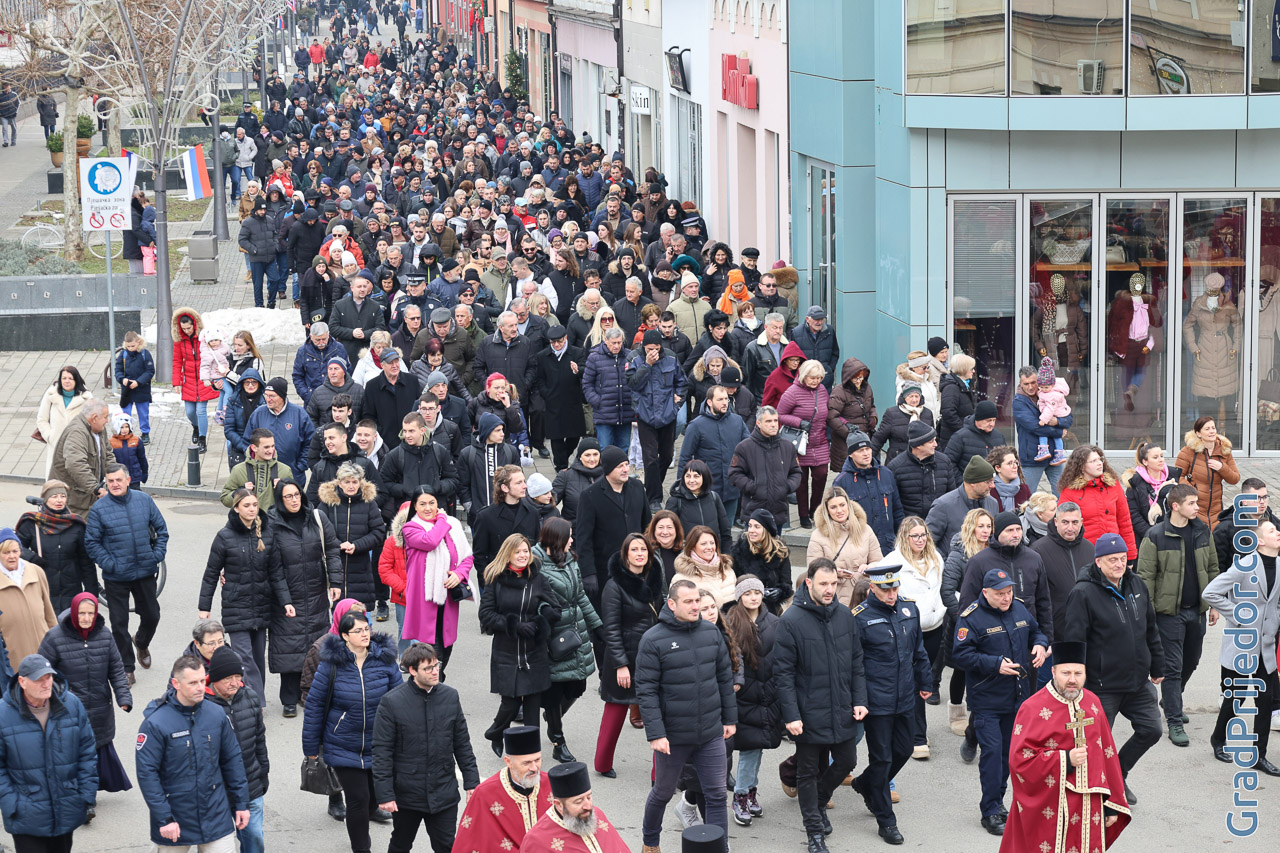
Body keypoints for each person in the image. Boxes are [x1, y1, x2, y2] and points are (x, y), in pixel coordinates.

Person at [999, 642, 1132, 853]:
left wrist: (1111, 803)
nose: (1072, 679)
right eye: (1066, 673)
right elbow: (1020, 761)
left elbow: (1107, 756)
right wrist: (1065, 759)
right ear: (1053, 672)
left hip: (1090, 805)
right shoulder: (1032, 708)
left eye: (1078, 673)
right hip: (1052, 804)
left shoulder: (1093, 704)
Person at [772, 559, 867, 853]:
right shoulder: (791, 620)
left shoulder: (845, 616)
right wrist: (791, 715)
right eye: (823, 583)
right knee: (808, 772)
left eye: (833, 584)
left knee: (847, 761)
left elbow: (856, 662)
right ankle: (814, 831)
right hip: (807, 711)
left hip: (841, 707)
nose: (829, 589)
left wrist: (860, 699)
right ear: (809, 582)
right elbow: (783, 674)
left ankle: (819, 800)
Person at [635, 578, 736, 851]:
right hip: (673, 737)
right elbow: (646, 691)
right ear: (672, 604)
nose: (695, 606)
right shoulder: (653, 639)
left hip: (710, 733)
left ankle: (719, 847)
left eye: (697, 601)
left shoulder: (711, 633)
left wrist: (729, 719)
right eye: (688, 602)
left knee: (717, 795)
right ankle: (650, 842)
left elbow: (724, 678)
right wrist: (656, 734)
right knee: (663, 792)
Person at [1063, 532, 1165, 804]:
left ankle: (1118, 774)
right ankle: (1091, 792)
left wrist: (1157, 664)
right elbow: (1074, 641)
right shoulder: (1083, 593)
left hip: (1137, 681)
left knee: (1152, 729)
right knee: (1093, 744)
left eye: (1123, 559)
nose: (1120, 564)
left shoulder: (1137, 584)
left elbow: (1150, 628)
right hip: (1101, 686)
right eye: (1112, 560)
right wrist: (1073, 680)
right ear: (1098, 562)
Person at [952, 568, 1048, 836]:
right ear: (985, 593)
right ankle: (990, 810)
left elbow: (1036, 632)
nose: (1006, 598)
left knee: (1009, 755)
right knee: (993, 755)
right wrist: (994, 664)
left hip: (1017, 697)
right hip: (987, 700)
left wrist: (1040, 645)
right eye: (1000, 594)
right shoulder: (971, 617)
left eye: (1009, 592)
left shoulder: (1018, 608)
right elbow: (960, 655)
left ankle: (999, 802)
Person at [302, 610, 401, 853]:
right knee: (358, 799)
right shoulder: (331, 665)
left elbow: (401, 700)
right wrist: (311, 748)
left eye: (366, 628)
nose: (365, 634)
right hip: (343, 745)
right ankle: (361, 848)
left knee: (373, 799)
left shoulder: (385, 660)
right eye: (358, 630)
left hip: (380, 745)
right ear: (345, 635)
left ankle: (364, 821)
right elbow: (315, 705)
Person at [849, 561, 933, 846]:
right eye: (885, 589)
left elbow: (918, 650)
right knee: (882, 758)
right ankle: (886, 820)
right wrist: (859, 699)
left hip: (906, 696)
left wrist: (925, 682)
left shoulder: (909, 609)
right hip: (877, 701)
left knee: (905, 749)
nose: (891, 594)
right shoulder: (859, 617)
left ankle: (866, 783)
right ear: (872, 588)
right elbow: (855, 665)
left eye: (894, 588)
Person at [372, 642, 481, 853]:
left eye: (436, 665)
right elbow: (382, 752)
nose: (435, 671)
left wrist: (472, 782)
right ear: (412, 671)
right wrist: (385, 794)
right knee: (401, 845)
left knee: (447, 846)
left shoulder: (450, 696)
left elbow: (462, 743)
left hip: (443, 792)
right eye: (428, 668)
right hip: (407, 795)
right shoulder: (391, 702)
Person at [137, 655, 251, 852]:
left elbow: (232, 760)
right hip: (175, 818)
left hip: (215, 815)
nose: (200, 688)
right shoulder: (155, 723)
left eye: (202, 681)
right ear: (176, 684)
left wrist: (241, 803)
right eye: (192, 683)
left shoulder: (216, 714)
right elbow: (147, 774)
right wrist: (164, 818)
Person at [1135, 483, 1219, 748]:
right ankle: (1173, 721)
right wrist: (1148, 614)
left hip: (1197, 611)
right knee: (1172, 668)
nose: (1197, 507)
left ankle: (1172, 700)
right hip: (1168, 614)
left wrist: (1215, 604)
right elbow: (1145, 577)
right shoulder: (1155, 536)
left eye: (1197, 503)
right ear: (1175, 506)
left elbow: (1213, 567)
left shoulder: (1202, 531)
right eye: (1191, 503)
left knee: (1192, 661)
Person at [38, 592, 133, 807]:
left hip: (100, 708)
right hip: (68, 710)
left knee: (95, 752)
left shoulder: (105, 635)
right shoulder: (54, 637)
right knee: (74, 754)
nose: (86, 618)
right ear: (74, 612)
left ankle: (87, 795)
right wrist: (58, 697)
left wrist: (123, 697)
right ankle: (82, 799)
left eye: (91, 613)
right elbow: (43, 673)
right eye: (82, 613)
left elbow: (116, 668)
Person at [1203, 519, 1280, 775]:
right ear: (1259, 541)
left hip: (1266, 646)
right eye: (1272, 531)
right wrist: (1238, 614)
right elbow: (1211, 593)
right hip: (1242, 644)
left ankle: (1259, 755)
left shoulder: (1279, 565)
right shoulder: (1244, 565)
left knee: (1265, 701)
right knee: (1236, 697)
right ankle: (1218, 739)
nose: (1278, 533)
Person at [0, 653, 97, 853]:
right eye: (39, 679)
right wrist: (11, 803)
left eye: (49, 677)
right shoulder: (3, 715)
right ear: (22, 682)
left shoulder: (71, 705)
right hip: (26, 816)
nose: (46, 684)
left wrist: (85, 795)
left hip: (66, 808)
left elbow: (87, 752)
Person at [478, 534, 561, 756]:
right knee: (511, 704)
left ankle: (530, 756)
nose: (523, 555)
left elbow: (556, 609)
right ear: (508, 554)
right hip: (506, 651)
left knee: (532, 707)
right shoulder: (495, 579)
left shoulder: (538, 578)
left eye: (526, 551)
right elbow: (485, 614)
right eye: (518, 552)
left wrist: (539, 620)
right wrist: (514, 625)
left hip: (534, 651)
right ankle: (496, 732)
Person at [83, 464, 168, 682]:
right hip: (116, 577)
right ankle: (126, 667)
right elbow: (91, 543)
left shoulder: (144, 500)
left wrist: (156, 555)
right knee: (119, 624)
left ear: (128, 480)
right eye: (110, 481)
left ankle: (141, 642)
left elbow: (162, 530)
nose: (114, 484)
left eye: (118, 480)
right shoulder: (99, 509)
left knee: (152, 615)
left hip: (145, 572)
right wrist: (109, 564)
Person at [266, 478, 341, 716]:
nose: (294, 500)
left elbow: (332, 548)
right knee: (289, 645)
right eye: (288, 496)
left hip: (316, 592)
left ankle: (309, 693)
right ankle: (289, 698)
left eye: (296, 494)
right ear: (280, 499)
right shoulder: (271, 523)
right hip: (286, 595)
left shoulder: (317, 518)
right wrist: (284, 599)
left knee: (315, 645)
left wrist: (335, 581)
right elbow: (271, 565)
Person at [596, 533, 665, 778]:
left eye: (643, 549)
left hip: (653, 657)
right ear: (625, 554)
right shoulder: (614, 585)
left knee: (658, 716)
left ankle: (660, 774)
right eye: (634, 549)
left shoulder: (655, 579)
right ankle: (602, 764)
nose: (639, 554)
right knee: (615, 713)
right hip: (624, 658)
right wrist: (620, 665)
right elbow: (611, 629)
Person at [200, 489, 276, 708]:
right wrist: (204, 607)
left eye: (254, 505)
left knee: (258, 657)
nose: (252, 509)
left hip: (261, 603)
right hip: (235, 605)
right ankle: (256, 702)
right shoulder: (224, 536)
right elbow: (211, 572)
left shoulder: (266, 533)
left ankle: (252, 696)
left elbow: (275, 570)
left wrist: (285, 601)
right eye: (246, 505)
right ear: (236, 509)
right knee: (244, 656)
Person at [534, 518, 602, 763]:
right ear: (557, 538)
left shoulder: (570, 559)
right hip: (553, 632)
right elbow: (533, 598)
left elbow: (580, 595)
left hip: (575, 630)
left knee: (577, 685)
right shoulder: (536, 563)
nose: (572, 540)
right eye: (569, 536)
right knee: (555, 690)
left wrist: (597, 625)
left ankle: (553, 717)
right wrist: (545, 613)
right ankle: (557, 739)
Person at [721, 575, 782, 826]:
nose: (753, 597)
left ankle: (750, 792)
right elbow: (730, 659)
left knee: (758, 747)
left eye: (757, 592)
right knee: (749, 748)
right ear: (739, 597)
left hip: (768, 695)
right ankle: (741, 795)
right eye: (747, 593)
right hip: (744, 696)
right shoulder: (731, 622)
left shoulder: (774, 621)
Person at [398, 486, 473, 676]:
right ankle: (432, 685)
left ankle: (435, 683)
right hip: (424, 599)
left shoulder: (453, 524)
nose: (428, 508)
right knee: (432, 650)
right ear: (415, 506)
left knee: (447, 646)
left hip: (448, 597)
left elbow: (467, 557)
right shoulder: (410, 528)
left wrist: (459, 574)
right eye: (422, 504)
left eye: (432, 503)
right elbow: (430, 541)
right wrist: (441, 520)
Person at [889, 517, 946, 751]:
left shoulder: (936, 557)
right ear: (905, 537)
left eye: (923, 535)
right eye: (915, 536)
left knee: (923, 678)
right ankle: (917, 736)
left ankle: (910, 728)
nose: (920, 540)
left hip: (934, 627)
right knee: (914, 682)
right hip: (908, 630)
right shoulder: (893, 561)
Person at [204, 647, 269, 853]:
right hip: (215, 789)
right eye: (228, 678)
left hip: (250, 782)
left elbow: (260, 740)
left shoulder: (250, 697)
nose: (234, 683)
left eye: (238, 677)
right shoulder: (201, 706)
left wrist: (263, 773)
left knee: (254, 836)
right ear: (215, 679)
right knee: (213, 844)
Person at [574, 446, 652, 609]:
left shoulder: (637, 487)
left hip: (637, 566)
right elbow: (583, 538)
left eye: (627, 464)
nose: (626, 469)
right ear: (608, 469)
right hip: (606, 569)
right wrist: (588, 572)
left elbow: (647, 525)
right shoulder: (590, 495)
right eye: (620, 466)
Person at [940, 508, 994, 734]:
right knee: (961, 669)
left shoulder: (994, 552)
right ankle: (956, 715)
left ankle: (982, 712)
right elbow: (947, 591)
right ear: (971, 528)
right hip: (964, 621)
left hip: (991, 620)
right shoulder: (958, 554)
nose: (985, 530)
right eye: (980, 526)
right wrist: (962, 617)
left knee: (987, 668)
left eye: (988, 526)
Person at [1030, 502, 1094, 683]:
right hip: (1052, 638)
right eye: (1065, 522)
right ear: (1056, 521)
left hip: (1084, 637)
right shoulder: (1038, 551)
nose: (1070, 528)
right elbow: (1033, 597)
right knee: (1047, 689)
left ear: (1082, 522)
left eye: (1075, 522)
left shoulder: (1090, 549)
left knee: (1078, 688)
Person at [15, 480, 98, 614]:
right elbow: (15, 548)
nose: (59, 500)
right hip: (42, 586)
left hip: (71, 589)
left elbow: (86, 562)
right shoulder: (32, 523)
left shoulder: (76, 524)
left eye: (63, 496)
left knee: (68, 625)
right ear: (45, 499)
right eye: (54, 496)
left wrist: (91, 593)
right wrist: (32, 557)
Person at [629, 328, 688, 510]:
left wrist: (678, 402)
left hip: (667, 415)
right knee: (650, 458)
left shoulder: (670, 357)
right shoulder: (634, 358)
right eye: (649, 349)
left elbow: (682, 382)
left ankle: (652, 486)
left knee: (667, 455)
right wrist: (647, 365)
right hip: (645, 415)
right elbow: (632, 383)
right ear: (643, 346)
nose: (653, 352)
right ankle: (654, 499)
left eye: (656, 348)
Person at [520, 761, 632, 853]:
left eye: (589, 797)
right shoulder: (537, 840)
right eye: (578, 802)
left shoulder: (596, 814)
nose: (588, 806)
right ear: (559, 805)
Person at [317, 462, 387, 609]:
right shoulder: (328, 503)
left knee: (360, 614)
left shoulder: (369, 503)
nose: (351, 486)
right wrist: (338, 545)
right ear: (339, 483)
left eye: (354, 482)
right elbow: (318, 529)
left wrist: (357, 545)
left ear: (360, 482)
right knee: (337, 613)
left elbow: (379, 531)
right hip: (334, 566)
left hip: (360, 568)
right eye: (347, 482)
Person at [679, 386, 750, 526]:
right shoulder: (696, 425)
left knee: (727, 529)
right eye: (720, 399)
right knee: (707, 530)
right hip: (707, 489)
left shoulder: (737, 421)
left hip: (731, 488)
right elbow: (684, 458)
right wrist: (681, 487)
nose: (724, 403)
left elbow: (749, 449)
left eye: (726, 399)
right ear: (709, 402)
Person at [806, 487, 882, 607]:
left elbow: (879, 562)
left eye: (842, 505)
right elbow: (813, 570)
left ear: (848, 505)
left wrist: (869, 567)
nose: (839, 510)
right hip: (833, 598)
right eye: (833, 507)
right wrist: (833, 572)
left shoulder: (865, 530)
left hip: (863, 596)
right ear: (827, 510)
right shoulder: (818, 535)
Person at [777, 360, 832, 528]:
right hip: (800, 442)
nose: (816, 381)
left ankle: (815, 510)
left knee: (822, 475)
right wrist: (799, 422)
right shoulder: (792, 392)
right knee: (801, 480)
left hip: (820, 441)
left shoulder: (822, 390)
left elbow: (828, 412)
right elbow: (779, 414)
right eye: (812, 378)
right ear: (803, 376)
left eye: (819, 378)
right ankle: (802, 515)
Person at [1057, 445, 1137, 560]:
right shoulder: (1069, 492)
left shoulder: (1113, 485)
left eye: (1100, 459)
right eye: (1093, 461)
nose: (1099, 463)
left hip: (1113, 551)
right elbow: (1063, 526)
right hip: (1084, 554)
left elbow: (1125, 522)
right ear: (1081, 467)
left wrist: (1130, 555)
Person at [729, 407, 801, 532]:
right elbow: (734, 474)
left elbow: (796, 472)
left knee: (775, 544)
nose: (773, 425)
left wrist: (787, 486)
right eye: (768, 421)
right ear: (758, 423)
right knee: (752, 544)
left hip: (778, 512)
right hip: (754, 511)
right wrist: (753, 487)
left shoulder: (787, 446)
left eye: (775, 420)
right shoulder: (744, 447)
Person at [472, 465, 546, 585]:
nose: (525, 486)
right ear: (505, 488)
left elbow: (537, 548)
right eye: (519, 483)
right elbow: (479, 556)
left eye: (524, 481)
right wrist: (489, 581)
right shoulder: (485, 517)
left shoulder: (532, 512)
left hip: (526, 581)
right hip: (498, 582)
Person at [1011, 365, 1072, 494]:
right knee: (1026, 497)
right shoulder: (1019, 402)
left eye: (1033, 382)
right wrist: (1059, 432)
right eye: (1026, 384)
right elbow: (1035, 427)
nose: (1030, 387)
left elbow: (1068, 418)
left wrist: (1058, 421)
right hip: (1032, 457)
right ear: (1020, 384)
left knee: (1063, 494)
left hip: (1055, 456)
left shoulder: (1051, 393)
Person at [535, 325, 588, 470]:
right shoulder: (543, 356)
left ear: (565, 338)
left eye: (559, 341)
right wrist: (546, 393)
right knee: (556, 437)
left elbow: (585, 371)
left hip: (572, 402)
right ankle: (561, 466)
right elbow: (540, 378)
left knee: (574, 437)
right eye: (553, 342)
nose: (556, 345)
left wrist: (577, 370)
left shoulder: (577, 352)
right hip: (553, 402)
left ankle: (563, 461)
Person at [1174, 416, 1240, 530]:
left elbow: (1235, 479)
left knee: (1215, 537)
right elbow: (1177, 476)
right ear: (1198, 434)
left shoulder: (1224, 450)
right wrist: (1193, 491)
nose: (1212, 431)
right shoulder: (1188, 451)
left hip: (1216, 510)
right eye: (1207, 429)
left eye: (1213, 428)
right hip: (1194, 507)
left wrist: (1222, 468)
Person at [925, 455, 998, 559]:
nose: (992, 486)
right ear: (972, 482)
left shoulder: (993, 503)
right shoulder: (943, 506)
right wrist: (948, 562)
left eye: (993, 481)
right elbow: (927, 542)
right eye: (988, 481)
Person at [47, 398, 108, 518]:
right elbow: (75, 464)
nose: (107, 420)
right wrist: (95, 488)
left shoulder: (99, 429)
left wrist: (116, 477)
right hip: (75, 502)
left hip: (88, 499)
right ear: (94, 418)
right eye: (105, 417)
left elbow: (108, 455)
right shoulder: (77, 432)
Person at [245, 377, 315, 478]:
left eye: (272, 396)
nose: (268, 399)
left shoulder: (299, 414)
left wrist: (300, 465)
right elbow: (247, 441)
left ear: (282, 396)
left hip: (292, 475)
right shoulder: (258, 414)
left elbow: (311, 442)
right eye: (266, 395)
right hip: (263, 475)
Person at [887, 421, 957, 521]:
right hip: (911, 526)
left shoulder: (944, 462)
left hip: (939, 523)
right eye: (931, 442)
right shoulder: (895, 467)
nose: (935, 444)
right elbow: (894, 505)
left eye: (935, 440)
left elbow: (952, 497)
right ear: (918, 445)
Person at [457, 413, 521, 523]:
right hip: (478, 517)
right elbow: (462, 484)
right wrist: (470, 507)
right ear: (487, 431)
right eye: (497, 430)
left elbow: (518, 480)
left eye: (502, 430)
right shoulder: (467, 454)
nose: (502, 434)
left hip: (507, 515)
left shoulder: (510, 452)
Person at [582, 326, 635, 450]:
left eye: (619, 342)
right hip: (604, 413)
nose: (616, 346)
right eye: (613, 343)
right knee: (605, 448)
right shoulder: (594, 357)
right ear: (606, 340)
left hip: (625, 412)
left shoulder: (629, 356)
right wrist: (597, 401)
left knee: (624, 448)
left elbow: (635, 380)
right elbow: (587, 383)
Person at [729, 510, 792, 614]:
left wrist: (779, 592)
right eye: (750, 526)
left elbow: (787, 584)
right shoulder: (739, 551)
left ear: (766, 530)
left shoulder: (780, 552)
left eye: (757, 527)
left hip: (770, 610)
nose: (751, 530)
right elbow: (732, 584)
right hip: (744, 609)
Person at [37, 366, 94, 478]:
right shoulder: (51, 394)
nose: (67, 381)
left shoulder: (86, 397)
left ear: (76, 380)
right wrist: (50, 436)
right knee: (55, 482)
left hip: (78, 446)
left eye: (70, 378)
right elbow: (42, 419)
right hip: (56, 445)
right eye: (64, 378)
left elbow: (92, 422)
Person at [1122, 443, 1183, 544]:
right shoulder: (1135, 482)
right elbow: (1134, 514)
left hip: (1175, 535)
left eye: (1161, 456)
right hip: (1148, 538)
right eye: (1155, 457)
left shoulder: (1173, 477)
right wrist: (1151, 534)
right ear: (1145, 462)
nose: (1161, 460)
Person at [1213, 478, 1276, 573]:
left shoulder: (1274, 523)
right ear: (1244, 501)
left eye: (1265, 497)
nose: (1262, 502)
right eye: (1257, 498)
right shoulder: (1226, 528)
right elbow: (1218, 565)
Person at [665, 461, 731, 549]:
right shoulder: (675, 500)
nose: (691, 480)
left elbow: (725, 531)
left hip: (712, 552)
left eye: (696, 476)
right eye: (688, 476)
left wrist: (726, 554)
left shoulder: (714, 497)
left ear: (704, 477)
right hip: (687, 554)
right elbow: (668, 533)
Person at [827, 357, 877, 470]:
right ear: (848, 378)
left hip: (865, 436)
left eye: (861, 377)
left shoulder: (867, 388)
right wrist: (849, 434)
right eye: (855, 378)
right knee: (849, 470)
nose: (858, 381)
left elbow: (872, 406)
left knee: (866, 469)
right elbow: (831, 416)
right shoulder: (839, 391)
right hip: (846, 439)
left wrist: (873, 417)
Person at [114, 331, 155, 447]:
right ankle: (126, 433)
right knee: (125, 414)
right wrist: (122, 379)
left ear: (138, 342)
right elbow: (118, 370)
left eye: (133, 346)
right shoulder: (123, 354)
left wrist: (138, 382)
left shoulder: (145, 354)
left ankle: (145, 433)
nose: (131, 349)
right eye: (128, 346)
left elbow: (150, 371)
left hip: (142, 389)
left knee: (143, 413)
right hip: (127, 389)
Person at [943, 399, 1006, 473]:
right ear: (978, 419)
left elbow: (1005, 460)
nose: (992, 424)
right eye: (988, 420)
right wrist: (962, 479)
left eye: (994, 420)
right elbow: (949, 463)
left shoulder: (999, 436)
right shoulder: (960, 437)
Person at [553, 438, 603, 523]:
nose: (592, 459)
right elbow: (549, 502)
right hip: (574, 528)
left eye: (595, 454)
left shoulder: (608, 475)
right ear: (580, 457)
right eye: (587, 455)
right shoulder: (565, 475)